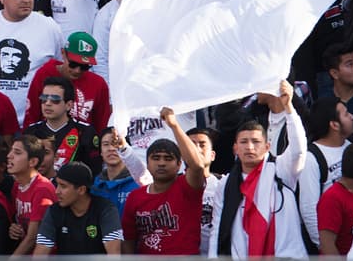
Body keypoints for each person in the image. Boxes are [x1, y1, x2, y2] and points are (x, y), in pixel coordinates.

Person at [211, 82, 308, 257]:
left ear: (267, 146)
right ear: (235, 148)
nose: (249, 147)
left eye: (256, 142)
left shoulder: (282, 171)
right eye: (243, 142)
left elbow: (299, 150)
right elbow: (217, 226)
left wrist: (289, 107)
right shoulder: (225, 183)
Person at [119, 106, 209, 255]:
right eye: (156, 158)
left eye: (168, 159)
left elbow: (197, 166)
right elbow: (128, 240)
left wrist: (174, 125)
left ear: (179, 164)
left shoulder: (187, 187)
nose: (161, 163)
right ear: (147, 163)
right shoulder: (135, 197)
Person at [298, 97, 353, 251]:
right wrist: (325, 247)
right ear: (334, 124)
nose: (352, 116)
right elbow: (309, 208)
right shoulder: (312, 158)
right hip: (332, 241)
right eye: (346, 114)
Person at [36, 161, 123, 255]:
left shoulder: (106, 209)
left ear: (81, 190)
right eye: (57, 185)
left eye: (63, 186)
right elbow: (40, 254)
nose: (57, 191)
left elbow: (114, 255)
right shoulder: (54, 211)